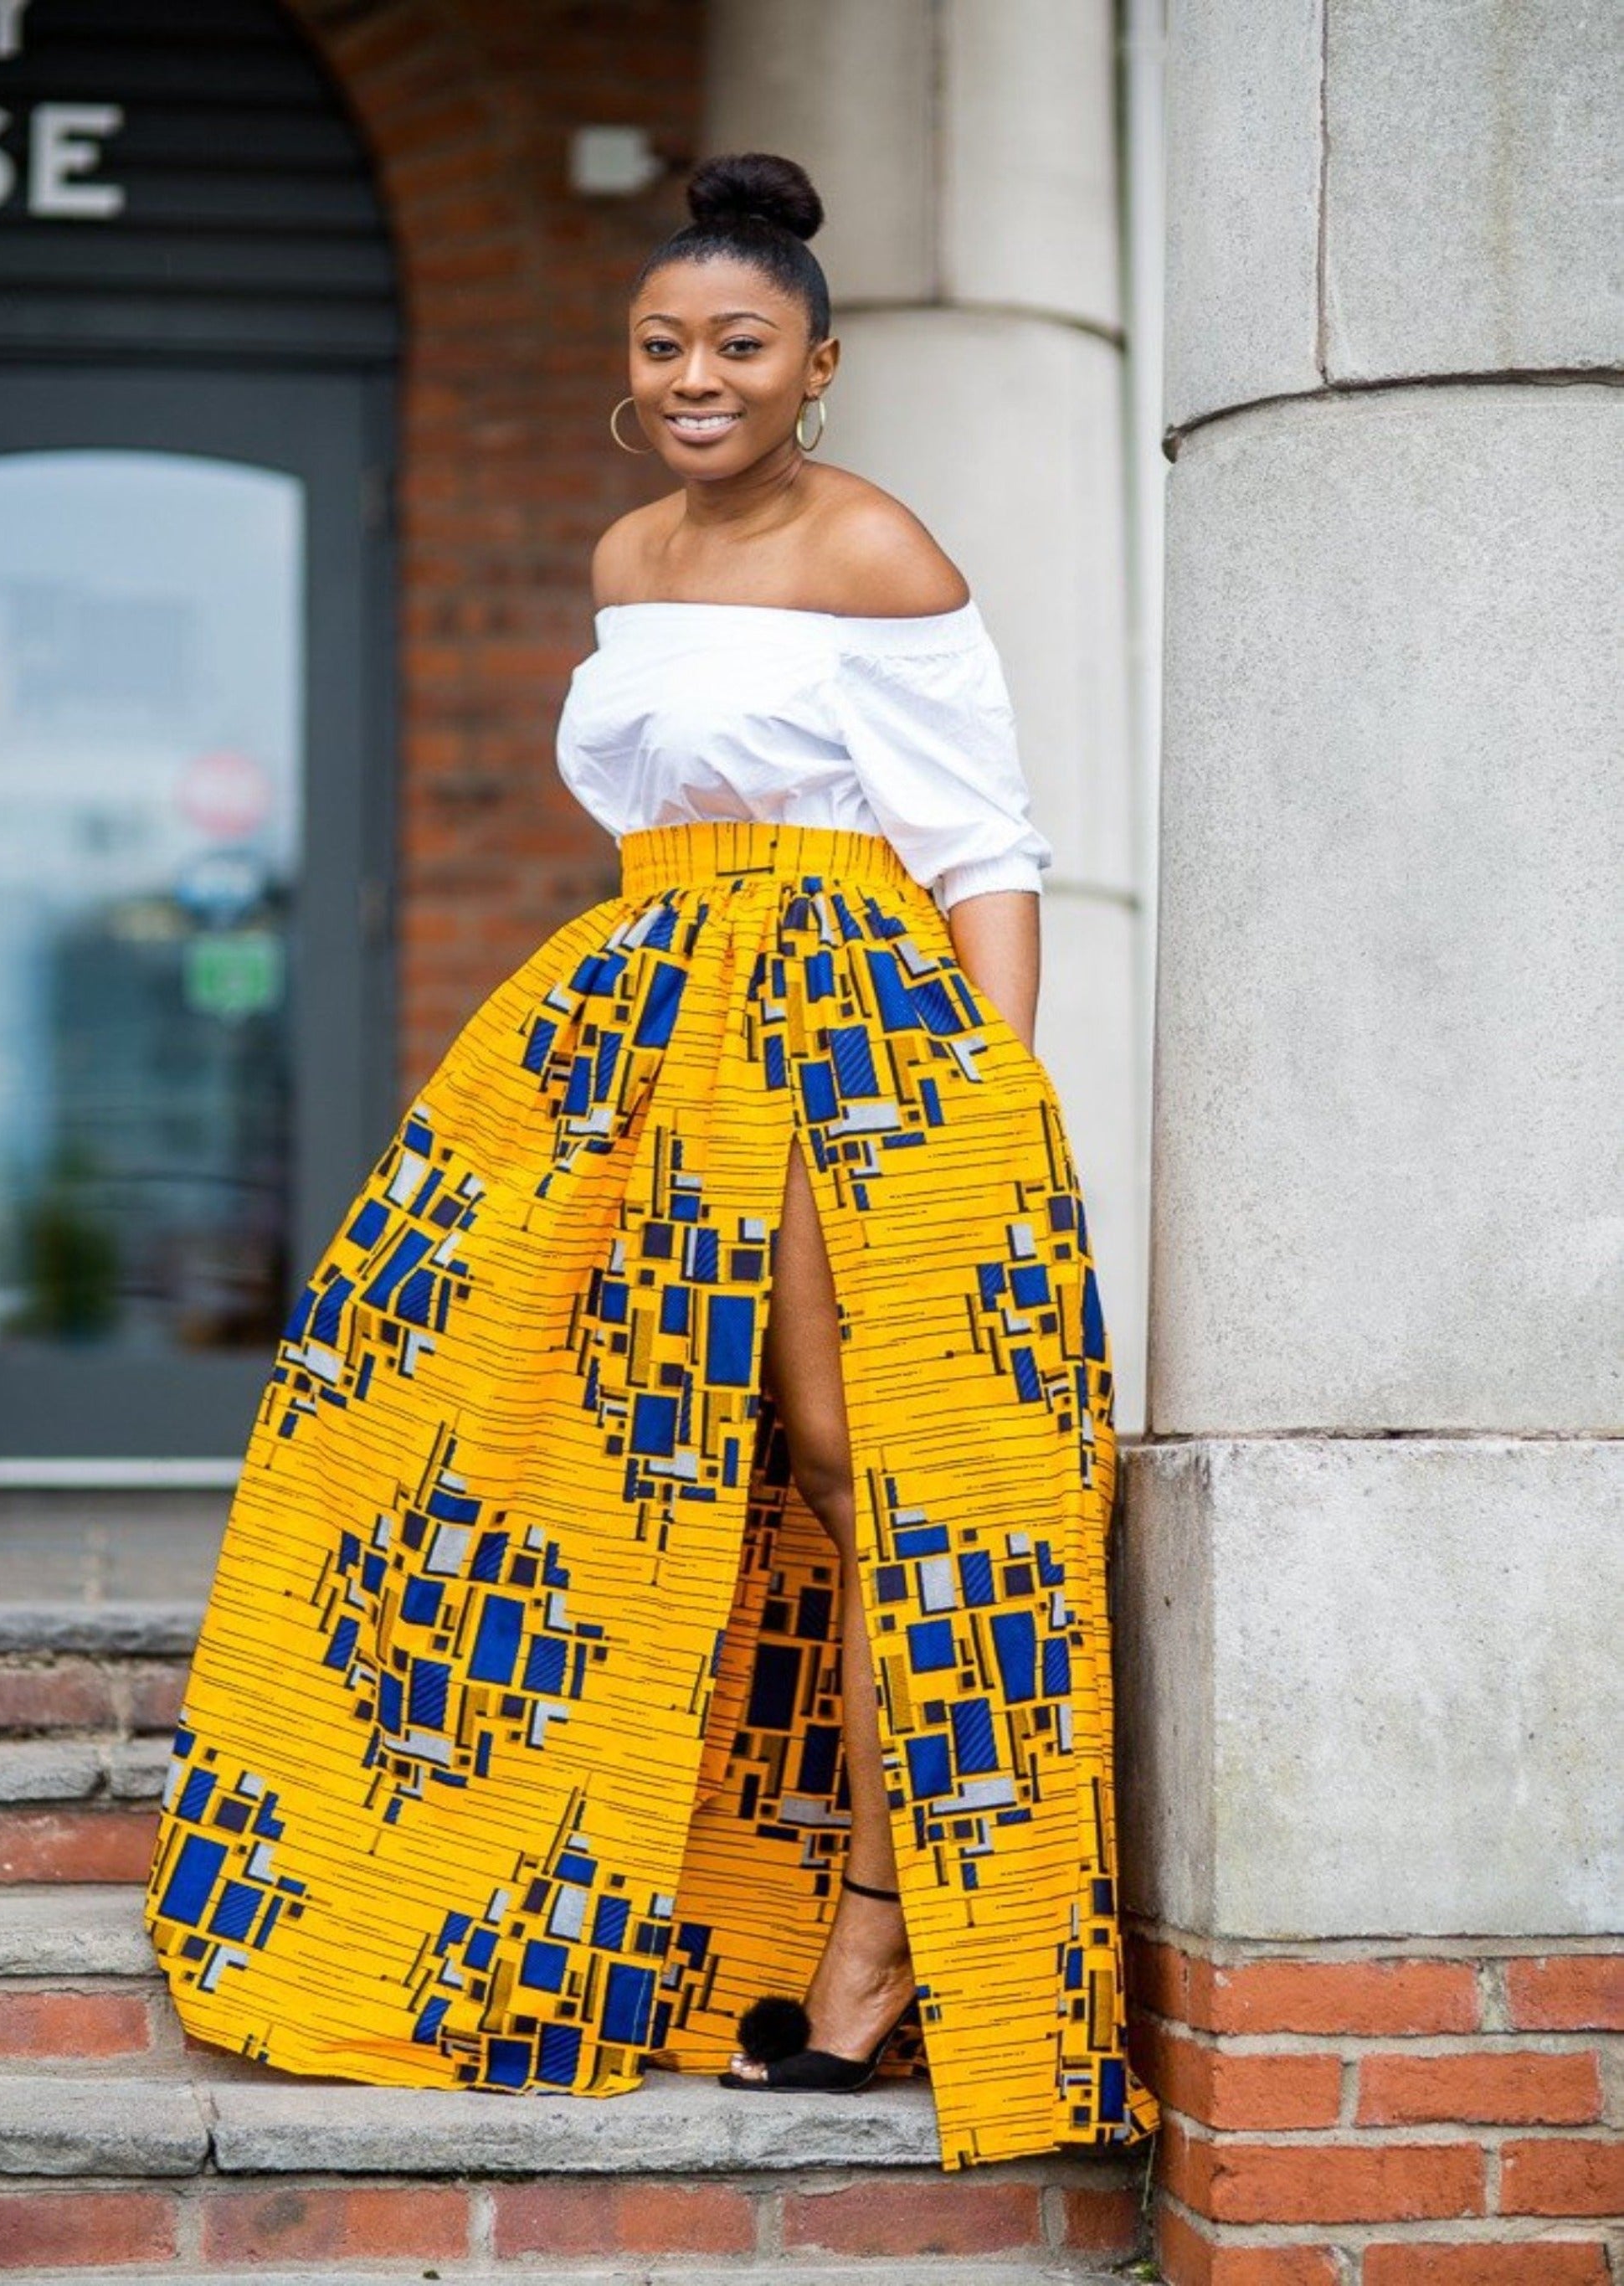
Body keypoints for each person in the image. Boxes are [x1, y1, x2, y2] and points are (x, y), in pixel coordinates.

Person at [143, 149, 1159, 2175]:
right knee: (492, 1420)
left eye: (741, 347)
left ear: (818, 366)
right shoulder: (625, 553)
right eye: (665, 345)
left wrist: (989, 1108)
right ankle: (562, 1891)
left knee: (851, 1460)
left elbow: (985, 850)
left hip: (843, 1038)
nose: (699, 376)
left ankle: (876, 1945)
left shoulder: (881, 550)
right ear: (634, 368)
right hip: (633, 1020)